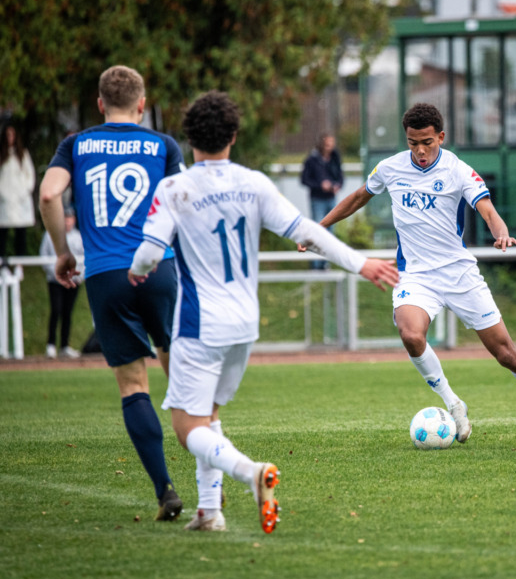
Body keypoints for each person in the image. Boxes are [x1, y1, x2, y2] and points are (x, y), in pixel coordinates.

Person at [129, 91, 398, 532]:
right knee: (209, 415)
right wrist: (361, 263)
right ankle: (210, 511)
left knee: (185, 428)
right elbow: (307, 231)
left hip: (201, 323)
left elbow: (149, 252)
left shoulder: (175, 187)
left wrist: (137, 272)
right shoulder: (253, 183)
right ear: (234, 135)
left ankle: (250, 473)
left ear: (189, 137)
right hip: (243, 324)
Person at [309, 102, 516, 446]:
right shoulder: (389, 168)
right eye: (413, 142)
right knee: (411, 335)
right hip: (416, 276)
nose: (420, 150)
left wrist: (500, 231)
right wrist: (318, 230)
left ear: (441, 137)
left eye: (427, 142)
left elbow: (487, 209)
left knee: (506, 354)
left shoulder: (458, 170)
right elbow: (358, 197)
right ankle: (453, 403)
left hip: (459, 275)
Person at [39, 65, 186, 521]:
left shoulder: (77, 144)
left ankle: (165, 490)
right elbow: (182, 201)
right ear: (142, 105)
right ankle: (211, 468)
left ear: (100, 104)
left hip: (105, 275)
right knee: (177, 365)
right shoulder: (162, 145)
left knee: (132, 384)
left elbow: (48, 196)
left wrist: (64, 253)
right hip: (158, 267)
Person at [0, 124, 37, 260]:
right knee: (2, 232)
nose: (10, 138)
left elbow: (30, 175)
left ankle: (19, 264)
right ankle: (0, 263)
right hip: (4, 199)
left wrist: (25, 191)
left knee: (21, 232)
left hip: (20, 199)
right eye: (7, 135)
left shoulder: (22, 154)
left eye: (12, 134)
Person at [40, 208, 84, 359]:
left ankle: (64, 345)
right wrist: (57, 274)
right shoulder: (50, 235)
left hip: (74, 280)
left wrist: (78, 276)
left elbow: (84, 259)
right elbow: (44, 257)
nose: (67, 221)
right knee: (56, 310)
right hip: (55, 280)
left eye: (70, 218)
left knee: (67, 313)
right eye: (65, 218)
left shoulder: (79, 237)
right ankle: (51, 344)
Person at [300, 132, 344, 269]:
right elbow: (304, 180)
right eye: (327, 144)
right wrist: (320, 185)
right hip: (317, 199)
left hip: (331, 199)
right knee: (317, 230)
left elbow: (341, 177)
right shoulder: (312, 159)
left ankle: (325, 263)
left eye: (331, 144)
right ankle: (315, 264)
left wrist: (337, 185)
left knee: (330, 233)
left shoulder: (335, 158)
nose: (329, 147)